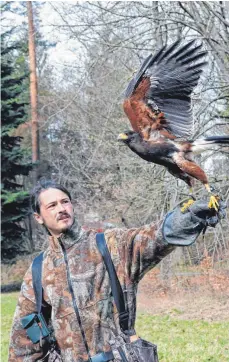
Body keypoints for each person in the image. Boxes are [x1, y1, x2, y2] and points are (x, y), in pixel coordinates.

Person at [8, 179, 226, 362]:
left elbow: (154, 236)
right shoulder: (38, 271)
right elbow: (25, 339)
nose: (61, 209)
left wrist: (191, 218)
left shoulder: (110, 245)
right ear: (39, 217)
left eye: (65, 202)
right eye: (52, 205)